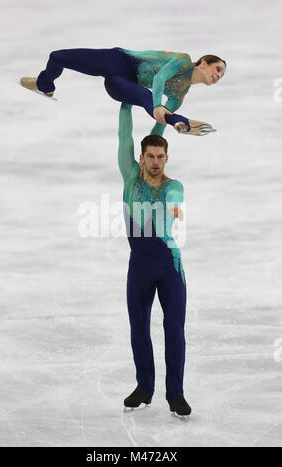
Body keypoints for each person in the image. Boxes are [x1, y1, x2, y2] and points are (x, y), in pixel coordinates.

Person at [118, 102, 191, 417]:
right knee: (138, 328)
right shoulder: (130, 180)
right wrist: (125, 102)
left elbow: (175, 197)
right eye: (150, 155)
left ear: (167, 158)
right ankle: (144, 387)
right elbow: (124, 135)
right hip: (140, 267)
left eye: (161, 156)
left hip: (169, 266)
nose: (156, 161)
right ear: (140, 157)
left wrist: (173, 206)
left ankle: (175, 393)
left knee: (174, 328)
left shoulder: (173, 186)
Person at [20, 47, 226, 136]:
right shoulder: (182, 60)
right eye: (218, 69)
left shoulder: (180, 93)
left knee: (148, 99)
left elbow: (158, 123)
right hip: (119, 59)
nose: (218, 76)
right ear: (203, 63)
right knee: (57, 57)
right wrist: (157, 106)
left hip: (122, 85)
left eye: (222, 75)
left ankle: (184, 122)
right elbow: (160, 78)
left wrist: (153, 147)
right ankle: (44, 85)